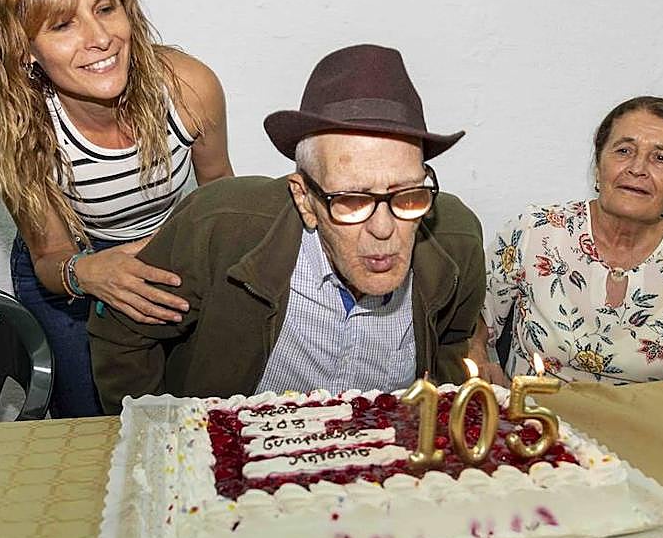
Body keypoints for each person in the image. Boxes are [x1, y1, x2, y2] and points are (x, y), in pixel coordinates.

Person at [88, 44, 485, 414]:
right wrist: (159, 436)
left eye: (406, 195)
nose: (384, 229)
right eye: (350, 200)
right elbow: (123, 332)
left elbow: (454, 342)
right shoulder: (219, 228)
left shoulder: (456, 241)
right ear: (304, 199)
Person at [0, 0, 233, 418]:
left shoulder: (189, 87)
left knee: (193, 410)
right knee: (92, 428)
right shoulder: (22, 129)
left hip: (169, 248)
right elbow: (50, 253)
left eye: (105, 8)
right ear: (22, 48)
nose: (100, 38)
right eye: (62, 25)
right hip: (73, 265)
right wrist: (86, 272)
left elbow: (220, 187)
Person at [470, 96, 663, 386]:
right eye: (623, 150)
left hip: (645, 426)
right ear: (598, 166)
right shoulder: (535, 232)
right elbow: (475, 321)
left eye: (660, 158)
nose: (637, 168)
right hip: (538, 420)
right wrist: (480, 360)